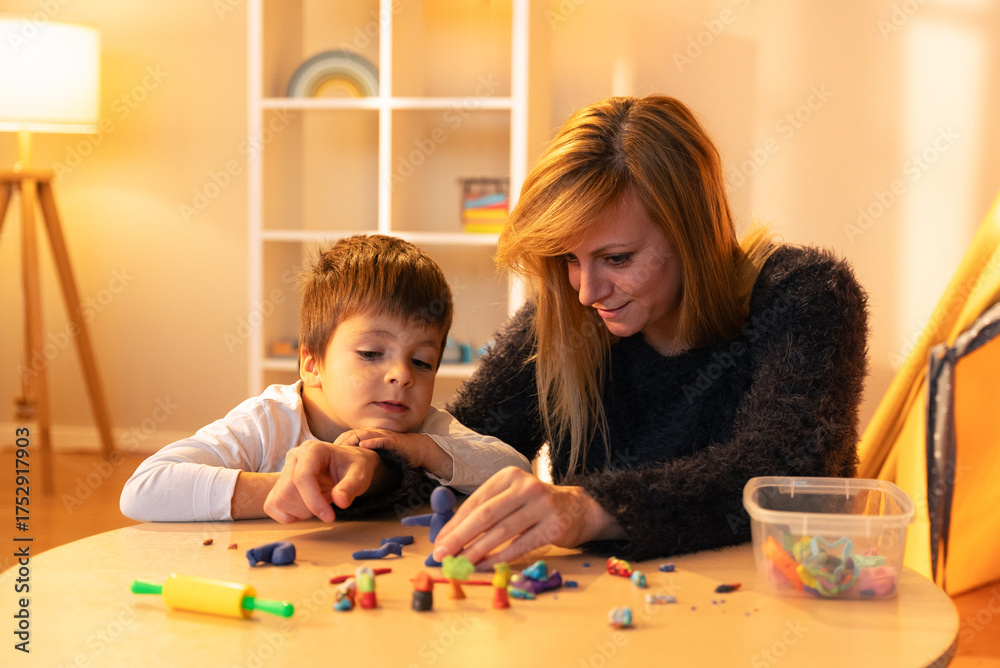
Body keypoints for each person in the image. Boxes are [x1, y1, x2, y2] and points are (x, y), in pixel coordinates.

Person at [425, 95, 869, 567]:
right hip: (612, 618)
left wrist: (590, 507)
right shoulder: (566, 315)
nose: (586, 293)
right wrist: (375, 467)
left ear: (692, 234)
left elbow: (781, 472)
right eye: (569, 258)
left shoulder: (806, 294)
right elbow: (467, 443)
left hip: (782, 610)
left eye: (617, 259)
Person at [120, 234, 531, 523]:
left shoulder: (424, 429)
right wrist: (296, 490)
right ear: (312, 363)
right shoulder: (267, 422)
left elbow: (517, 471)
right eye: (372, 353)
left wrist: (419, 450)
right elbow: (145, 488)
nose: (402, 375)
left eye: (422, 361)